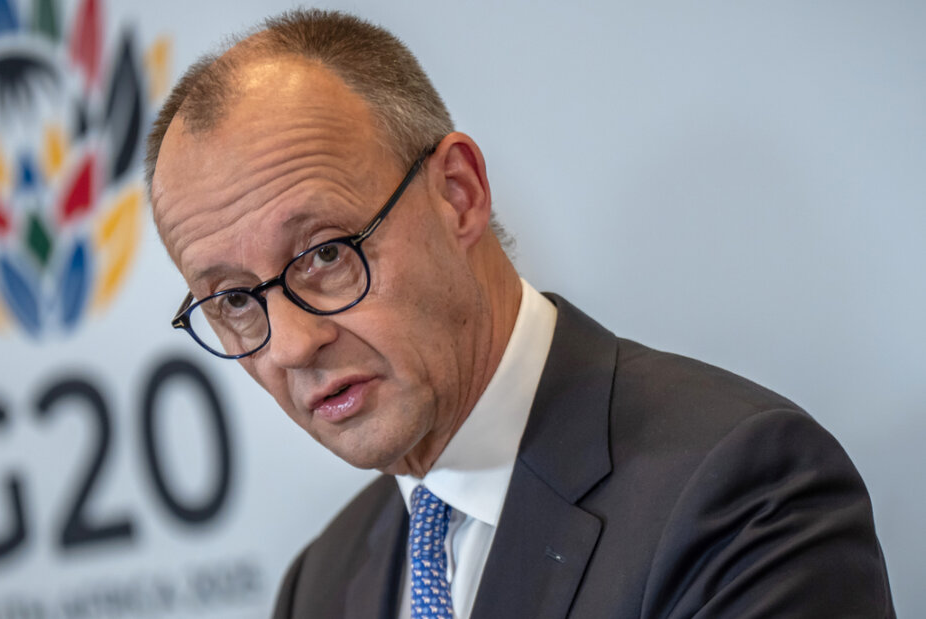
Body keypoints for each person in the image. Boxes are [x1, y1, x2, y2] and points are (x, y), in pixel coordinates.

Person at [144, 9, 894, 618]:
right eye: (236, 300)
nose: (296, 344)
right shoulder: (320, 587)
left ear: (459, 193)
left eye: (328, 253)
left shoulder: (740, 495)